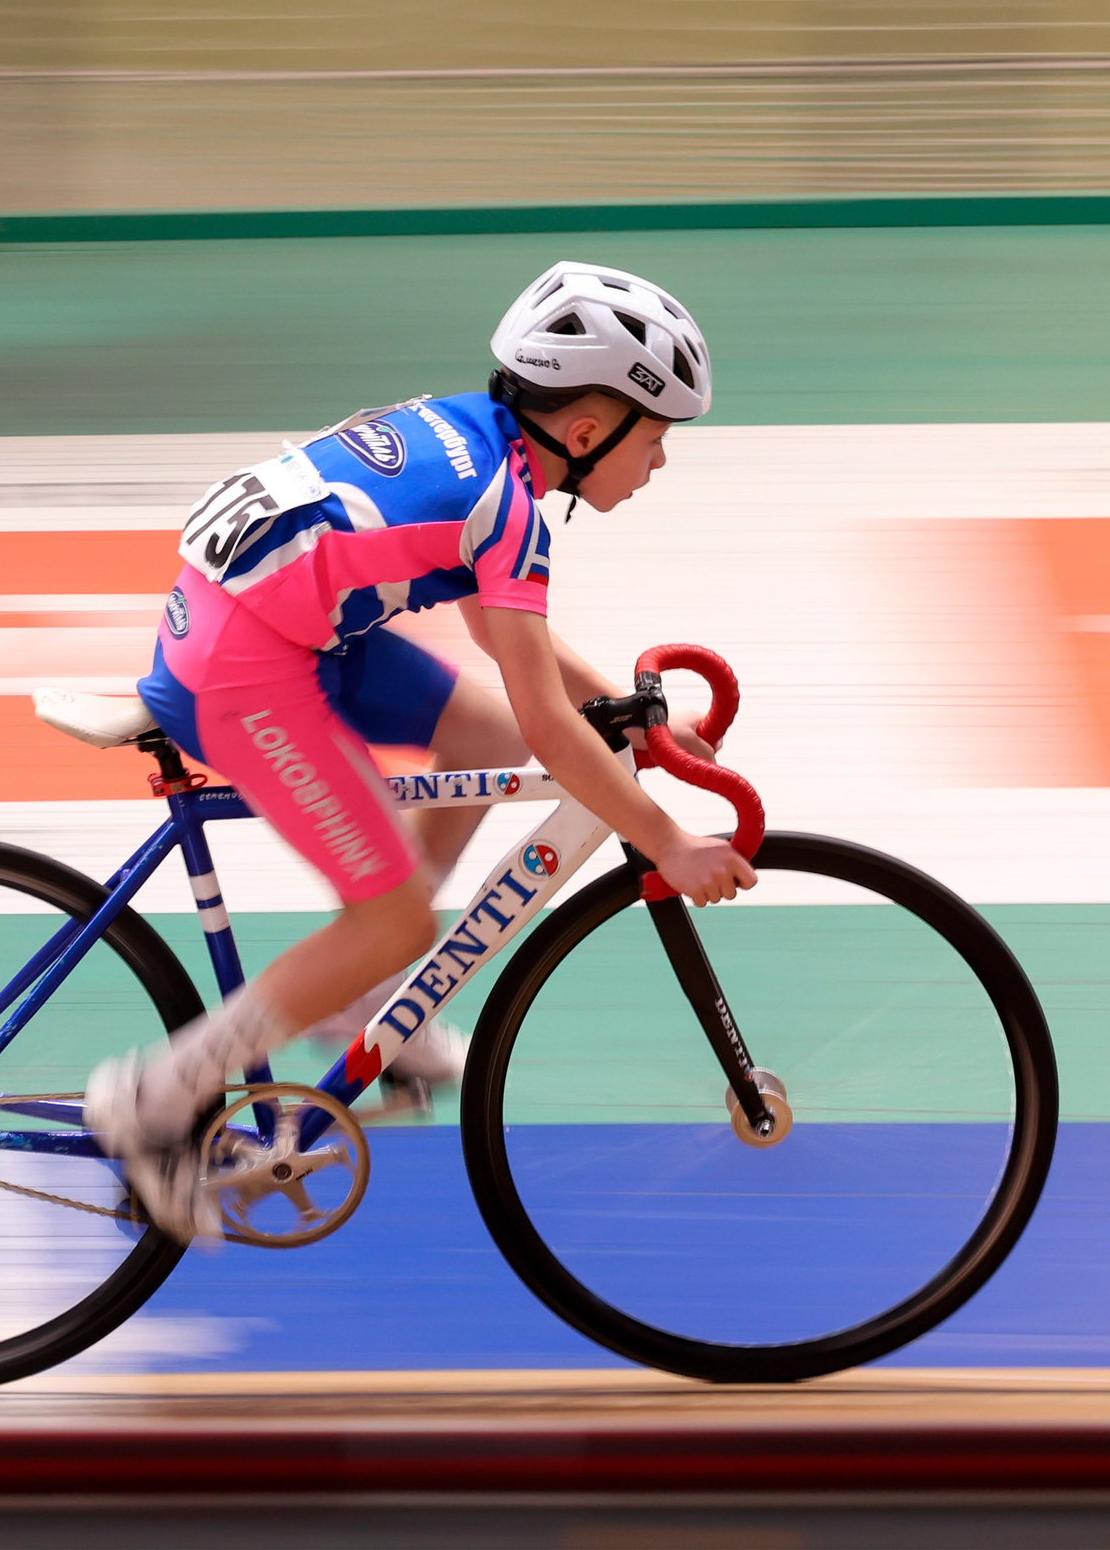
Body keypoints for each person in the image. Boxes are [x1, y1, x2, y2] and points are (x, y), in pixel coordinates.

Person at [87, 261, 758, 1241]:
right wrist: (667, 841)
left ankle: (357, 995)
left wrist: (620, 710)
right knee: (396, 914)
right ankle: (153, 1100)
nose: (657, 461)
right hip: (245, 662)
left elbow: (507, 647)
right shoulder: (512, 508)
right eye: (654, 439)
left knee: (474, 737)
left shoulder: (476, 438)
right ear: (586, 430)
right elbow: (546, 725)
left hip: (271, 623)